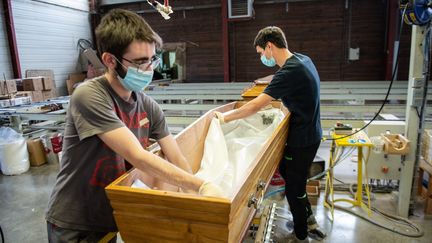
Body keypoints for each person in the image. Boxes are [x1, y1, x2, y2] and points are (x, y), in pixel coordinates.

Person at [45, 9, 223, 242]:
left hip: (112, 215)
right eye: (140, 62)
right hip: (75, 220)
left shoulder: (148, 107)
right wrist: (202, 185)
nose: (149, 69)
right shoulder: (89, 95)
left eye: (152, 60)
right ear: (110, 60)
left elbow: (176, 156)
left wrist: (195, 198)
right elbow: (137, 156)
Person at [215, 26, 325, 243]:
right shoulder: (303, 60)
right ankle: (306, 217)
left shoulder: (288, 72)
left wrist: (224, 118)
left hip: (302, 140)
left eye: (260, 52)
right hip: (312, 132)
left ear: (270, 46)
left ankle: (302, 232)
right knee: (285, 169)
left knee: (295, 188)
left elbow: (255, 106)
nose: (261, 57)